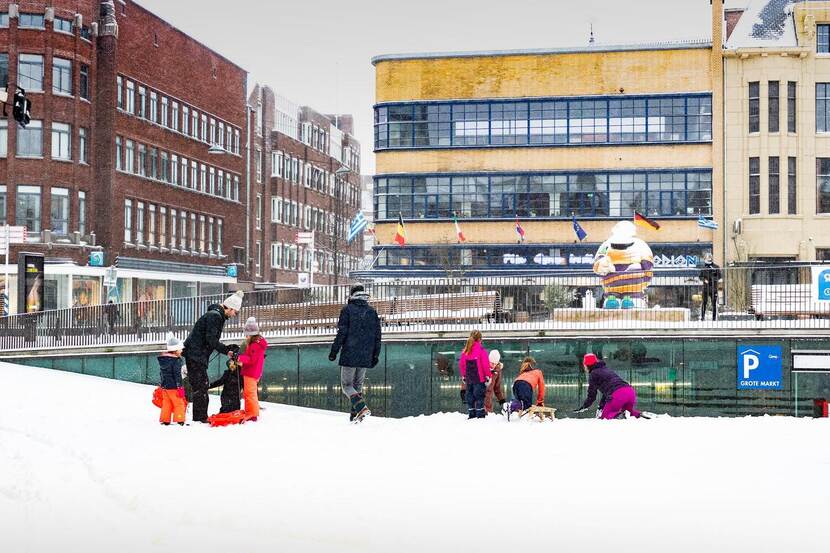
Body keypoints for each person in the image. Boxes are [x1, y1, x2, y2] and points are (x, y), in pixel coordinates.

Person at [183, 290, 243, 423]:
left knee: (201, 386)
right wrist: (226, 350)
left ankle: (200, 417)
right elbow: (211, 339)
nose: (234, 315)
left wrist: (224, 349)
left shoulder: (215, 315)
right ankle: (200, 418)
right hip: (196, 355)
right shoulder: (215, 316)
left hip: (195, 355)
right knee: (201, 387)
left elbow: (210, 339)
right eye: (235, 312)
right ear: (231, 307)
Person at [329, 284, 382, 422]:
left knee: (347, 385)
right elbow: (377, 335)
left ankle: (361, 408)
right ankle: (355, 415)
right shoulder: (372, 311)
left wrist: (334, 351)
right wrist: (376, 354)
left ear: (352, 295)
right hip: (366, 354)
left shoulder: (347, 310)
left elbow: (342, 333)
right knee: (357, 385)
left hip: (350, 353)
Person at [574, 353, 641, 419]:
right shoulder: (605, 369)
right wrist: (601, 406)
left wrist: (585, 406)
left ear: (587, 365)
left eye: (584, 365)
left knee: (606, 416)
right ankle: (641, 415)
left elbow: (592, 394)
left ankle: (621, 416)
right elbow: (606, 393)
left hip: (618, 394)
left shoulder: (593, 374)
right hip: (630, 391)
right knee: (630, 413)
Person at [237, 317, 267, 421]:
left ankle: (252, 413)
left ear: (251, 334)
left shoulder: (255, 345)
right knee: (249, 393)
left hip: (251, 372)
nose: (246, 336)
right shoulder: (257, 344)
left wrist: (239, 357)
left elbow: (251, 360)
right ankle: (251, 411)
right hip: (253, 372)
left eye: (247, 334)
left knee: (250, 393)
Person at [458, 330, 492, 419]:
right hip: (479, 379)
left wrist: (464, 375)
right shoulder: (481, 350)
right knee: (479, 396)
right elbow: (485, 364)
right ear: (480, 339)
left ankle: (471, 414)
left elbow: (461, 364)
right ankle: (480, 415)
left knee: (470, 396)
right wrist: (488, 376)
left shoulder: (465, 350)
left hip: (469, 379)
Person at [158, 334, 187, 426]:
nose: (181, 351)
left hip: (165, 386)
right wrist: (180, 388)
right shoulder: (176, 361)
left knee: (167, 403)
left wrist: (162, 384)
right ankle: (179, 419)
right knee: (179, 403)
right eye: (180, 349)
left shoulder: (164, 360)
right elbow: (177, 375)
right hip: (174, 386)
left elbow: (161, 374)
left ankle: (165, 420)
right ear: (175, 350)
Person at [699, 253, 722, 321]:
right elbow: (700, 276)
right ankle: (702, 317)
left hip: (713, 288)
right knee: (704, 303)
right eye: (706, 258)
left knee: (714, 304)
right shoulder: (703, 267)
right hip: (705, 288)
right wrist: (704, 279)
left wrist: (713, 279)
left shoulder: (716, 267)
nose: (707, 259)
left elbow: (719, 276)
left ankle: (714, 318)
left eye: (709, 258)